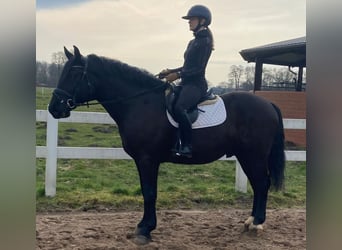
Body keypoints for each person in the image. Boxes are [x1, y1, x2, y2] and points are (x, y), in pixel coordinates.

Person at [159, 5, 214, 158]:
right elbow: (187, 66)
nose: (189, 22)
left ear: (202, 21)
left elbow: (198, 69)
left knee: (179, 107)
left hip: (196, 85)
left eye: (192, 19)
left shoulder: (205, 41)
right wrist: (170, 71)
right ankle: (173, 141)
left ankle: (187, 145)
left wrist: (177, 75)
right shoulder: (193, 41)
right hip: (187, 83)